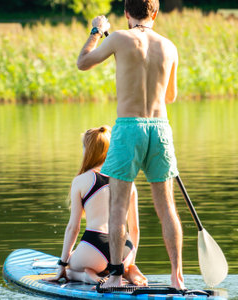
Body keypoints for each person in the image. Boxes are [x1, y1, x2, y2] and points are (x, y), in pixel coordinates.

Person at [76, 0, 185, 290]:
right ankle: (177, 277)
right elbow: (170, 96)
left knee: (118, 207)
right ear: (155, 13)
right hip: (160, 129)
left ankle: (114, 276)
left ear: (126, 13)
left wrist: (97, 31)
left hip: (129, 128)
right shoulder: (170, 46)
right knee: (167, 208)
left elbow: (82, 63)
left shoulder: (120, 38)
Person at [46, 126, 147, 286]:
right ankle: (126, 271)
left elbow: (74, 228)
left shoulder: (81, 180)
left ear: (89, 150)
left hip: (94, 246)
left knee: (70, 268)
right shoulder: (128, 181)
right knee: (119, 262)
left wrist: (62, 265)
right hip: (124, 250)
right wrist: (130, 262)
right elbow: (134, 229)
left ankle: (88, 276)